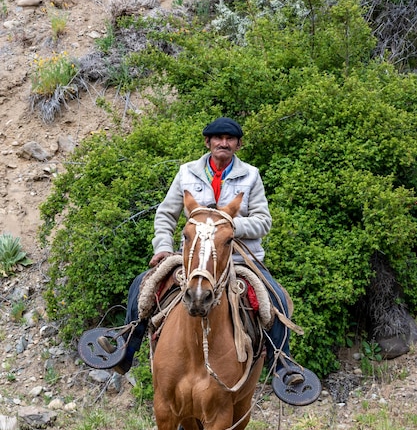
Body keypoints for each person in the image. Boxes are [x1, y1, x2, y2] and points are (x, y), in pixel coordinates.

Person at [98, 117, 321, 405]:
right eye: (218, 138)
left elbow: (264, 221)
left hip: (237, 257)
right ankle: (126, 345)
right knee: (143, 284)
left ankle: (283, 364)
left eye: (230, 139)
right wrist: (163, 246)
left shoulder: (251, 175)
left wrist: (227, 228)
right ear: (208, 142)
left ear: (238, 144)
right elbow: (166, 215)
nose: (223, 143)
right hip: (192, 258)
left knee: (273, 296)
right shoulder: (187, 172)